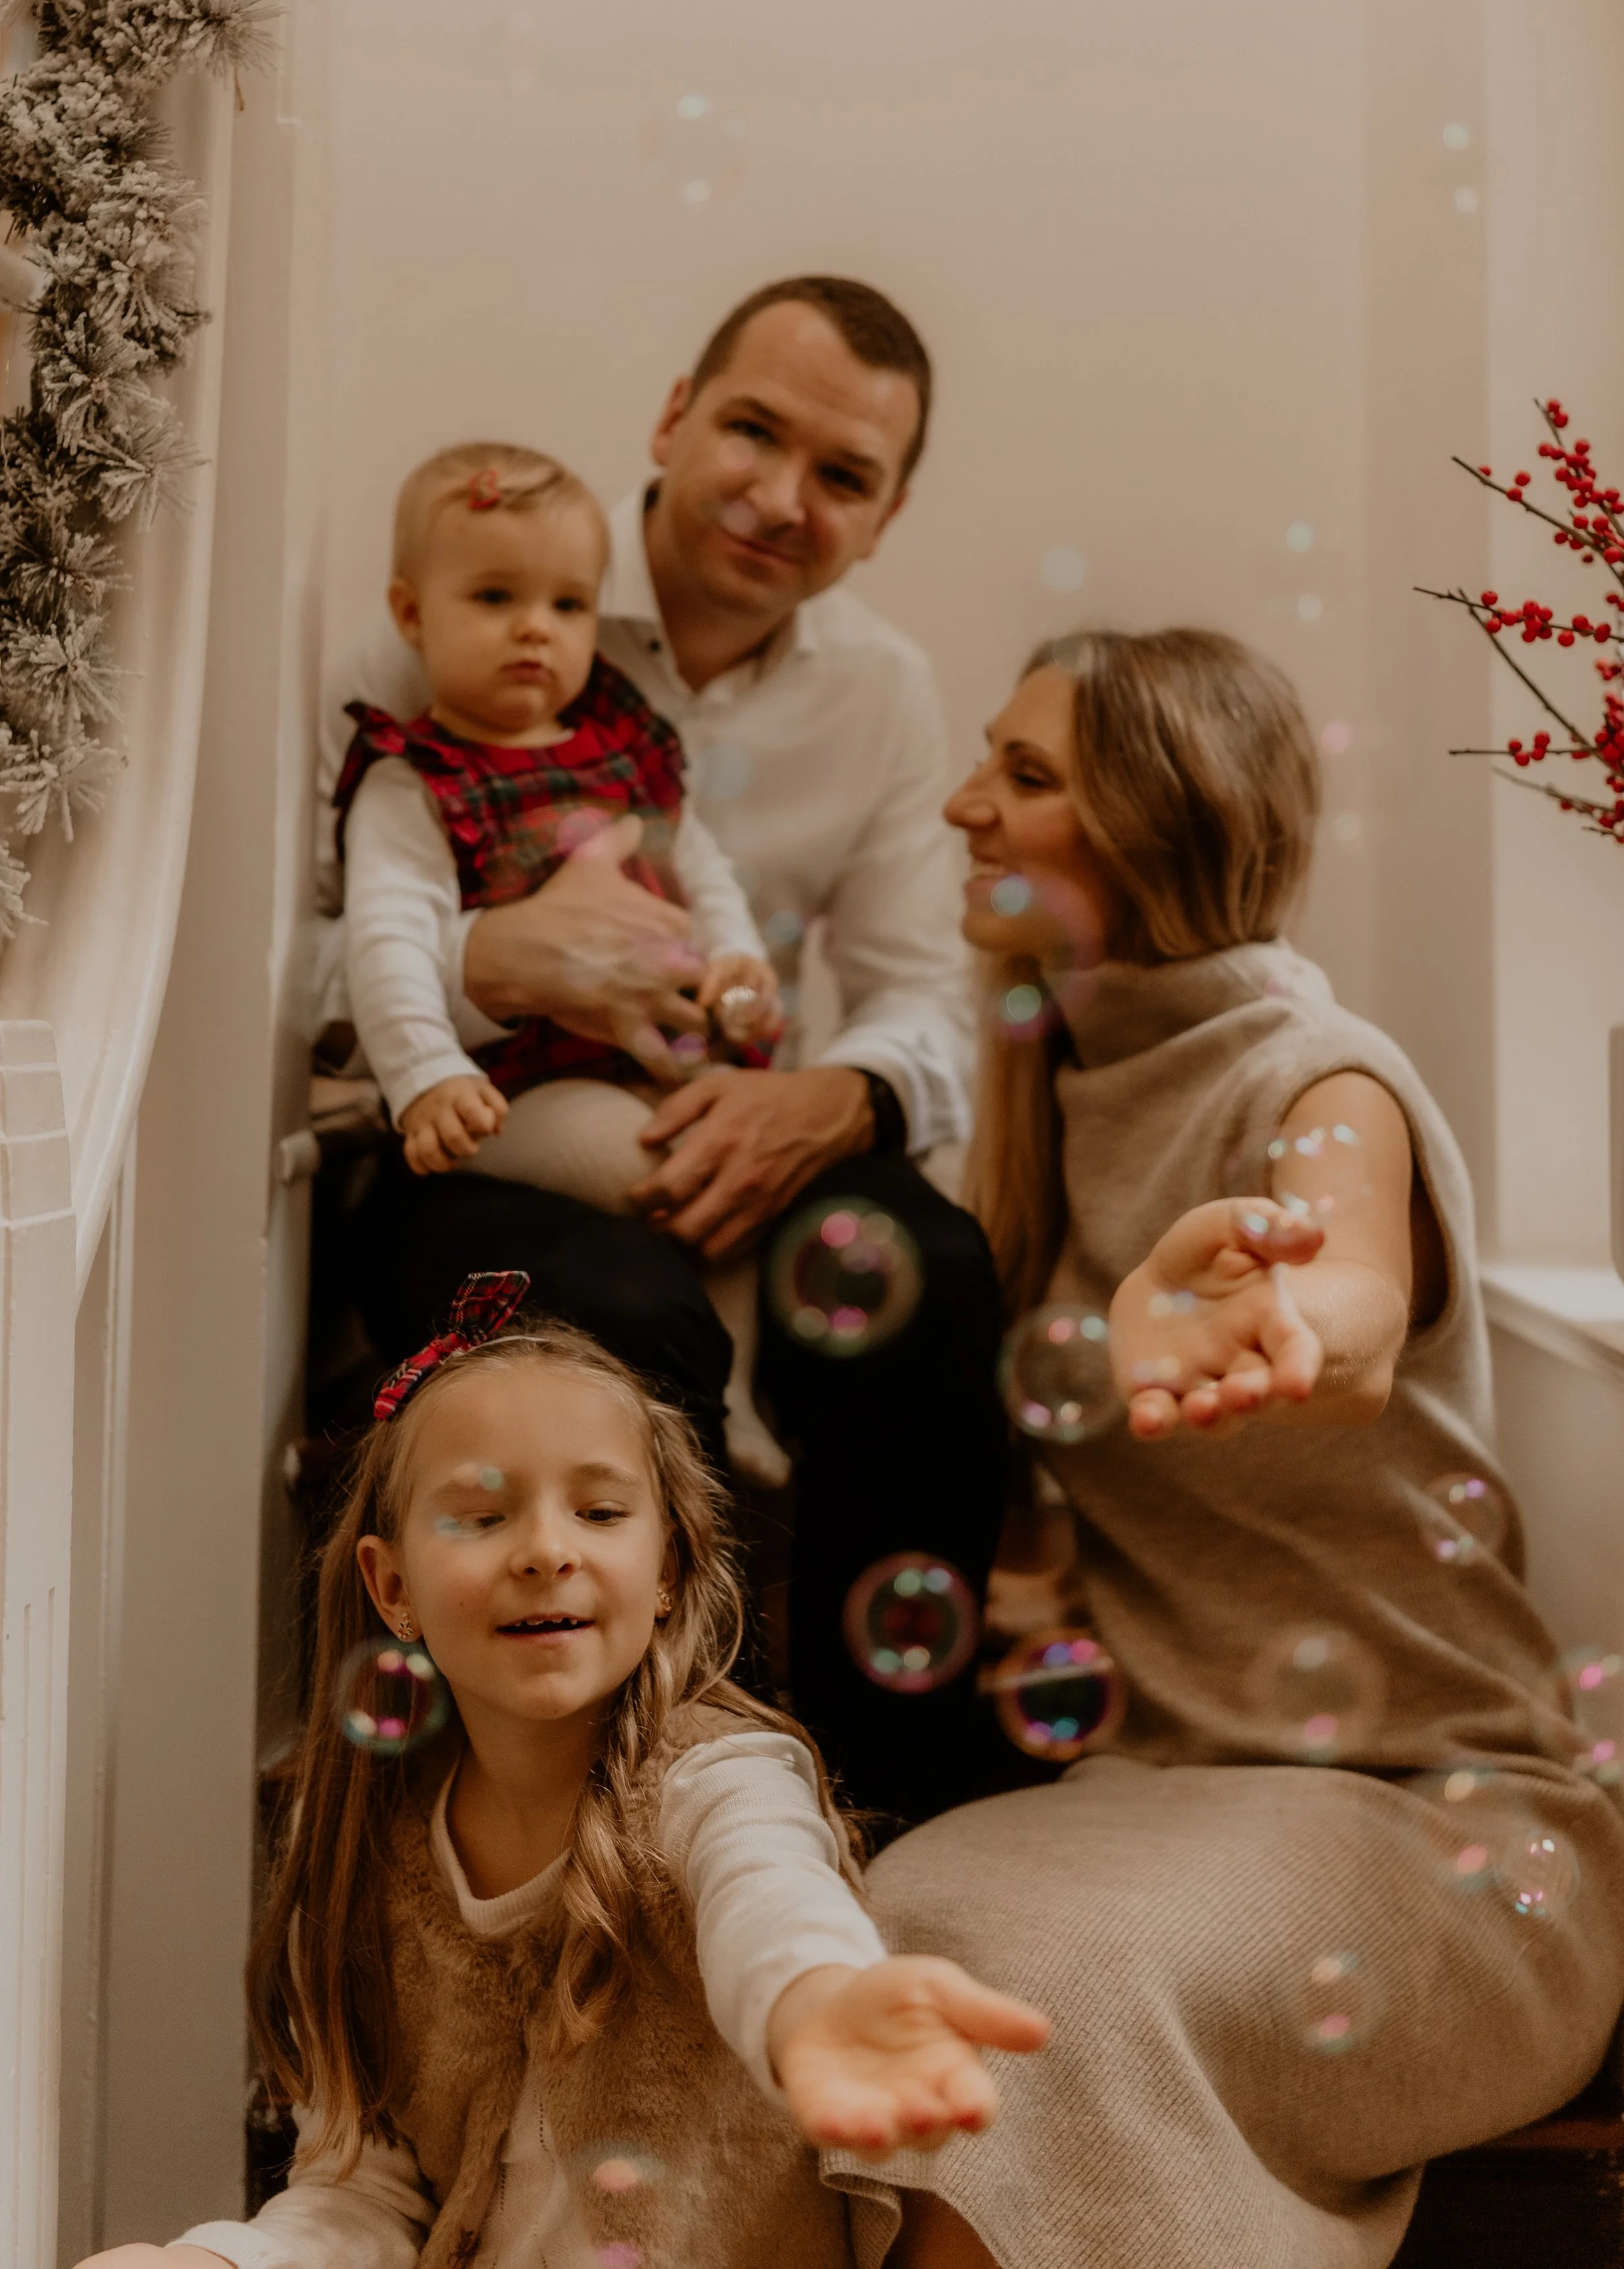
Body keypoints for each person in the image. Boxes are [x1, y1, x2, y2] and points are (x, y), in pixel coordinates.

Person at [824, 629, 1624, 2268]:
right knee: (891, 1947)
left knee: (1037, 1999)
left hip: (1433, 1812)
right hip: (1155, 1783)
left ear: (1160, 824)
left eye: (1027, 776)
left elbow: (1345, 1279)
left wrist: (1282, 1326)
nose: (966, 807)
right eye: (984, 758)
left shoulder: (1319, 1078)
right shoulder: (1047, 1089)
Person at [318, 276, 1013, 1825]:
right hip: (471, 1143)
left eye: (842, 478)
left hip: (731, 1130)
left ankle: (891, 1787)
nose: (780, 500)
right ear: (672, 419)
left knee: (933, 1273)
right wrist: (481, 960)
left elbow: (918, 997)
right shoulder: (472, 582)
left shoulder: (879, 692)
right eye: (751, 434)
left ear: (885, 520)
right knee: (615, 1319)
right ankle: (661, 1796)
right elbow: (281, 962)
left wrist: (827, 1096)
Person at [71, 1280, 1048, 2269]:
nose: (546, 1550)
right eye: (482, 1515)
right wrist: (223, 2261)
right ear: (393, 1586)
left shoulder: (717, 1780)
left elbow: (770, 1896)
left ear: (667, 1567)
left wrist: (815, 2000)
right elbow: (362, 2194)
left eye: (598, 1508)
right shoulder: (375, 1859)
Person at [335, 438, 784, 1481]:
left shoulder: (622, 745)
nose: (536, 627)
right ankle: (716, 1415)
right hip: (513, 1094)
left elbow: (702, 867)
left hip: (654, 1059)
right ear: (412, 614)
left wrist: (740, 962)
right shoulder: (418, 782)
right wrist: (426, 1075)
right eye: (495, 596)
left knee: (751, 1175)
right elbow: (386, 940)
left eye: (568, 605)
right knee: (675, 1165)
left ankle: (742, 1405)